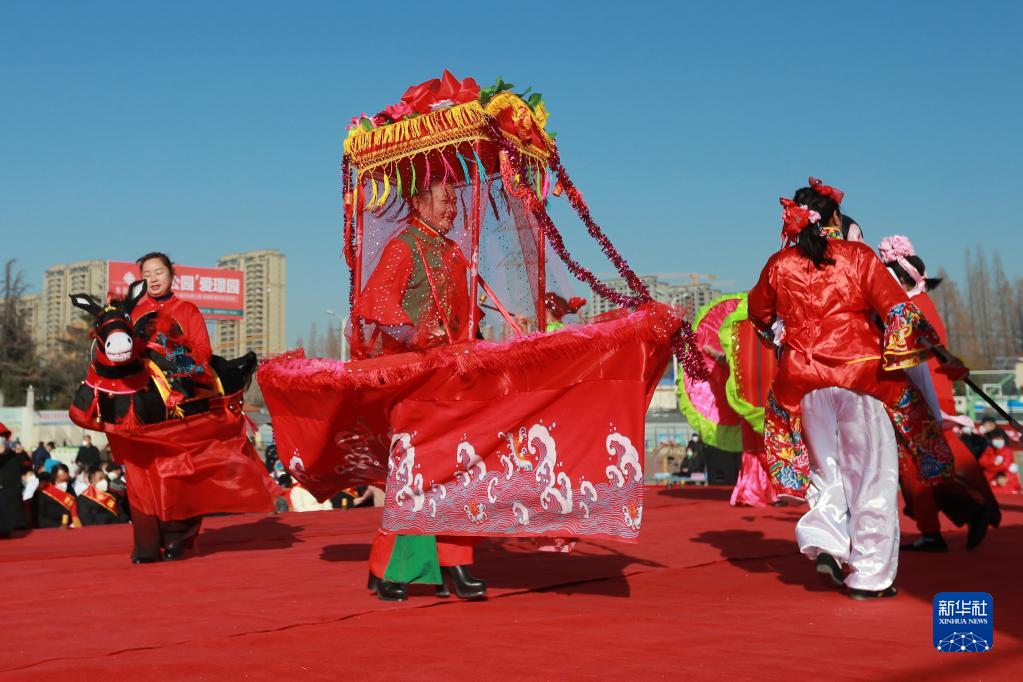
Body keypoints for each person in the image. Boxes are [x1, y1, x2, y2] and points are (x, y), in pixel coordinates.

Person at [748, 178, 962, 600]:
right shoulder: (858, 257)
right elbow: (899, 310)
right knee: (872, 476)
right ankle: (869, 575)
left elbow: (759, 313)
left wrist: (781, 339)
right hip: (860, 377)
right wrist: (937, 353)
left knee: (825, 469)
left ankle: (826, 540)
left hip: (803, 381)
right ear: (835, 218)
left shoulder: (779, 264)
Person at [353, 176, 485, 602]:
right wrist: (417, 338)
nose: (452, 209)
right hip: (412, 378)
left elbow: (467, 316)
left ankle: (455, 562)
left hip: (451, 378)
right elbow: (377, 304)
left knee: (458, 469)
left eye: (454, 200)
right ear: (418, 201)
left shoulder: (453, 253)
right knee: (416, 470)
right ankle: (390, 567)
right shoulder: (403, 246)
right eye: (445, 200)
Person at [877, 235, 1000, 551]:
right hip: (931, 390)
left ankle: (958, 516)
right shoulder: (921, 304)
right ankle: (971, 508)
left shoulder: (908, 308)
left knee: (921, 466)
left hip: (922, 395)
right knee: (937, 462)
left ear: (902, 278)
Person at [120, 252, 215, 562]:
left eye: (159, 271)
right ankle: (147, 542)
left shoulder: (186, 310)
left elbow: (203, 353)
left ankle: (179, 538)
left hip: (182, 402)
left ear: (172, 275)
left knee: (179, 471)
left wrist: (172, 357)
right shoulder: (133, 313)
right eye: (147, 274)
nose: (153, 278)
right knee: (142, 472)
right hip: (141, 405)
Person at [1, 424, 32, 537]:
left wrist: (22, 452)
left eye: (3, 437)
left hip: (13, 495)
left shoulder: (14, 455)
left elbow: (28, 466)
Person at [32, 463, 79, 528]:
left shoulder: (70, 489)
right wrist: (56, 526)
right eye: (64, 473)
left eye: (67, 472)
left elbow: (75, 505)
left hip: (69, 525)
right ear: (55, 475)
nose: (67, 474)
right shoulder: (44, 490)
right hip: (50, 526)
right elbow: (40, 515)